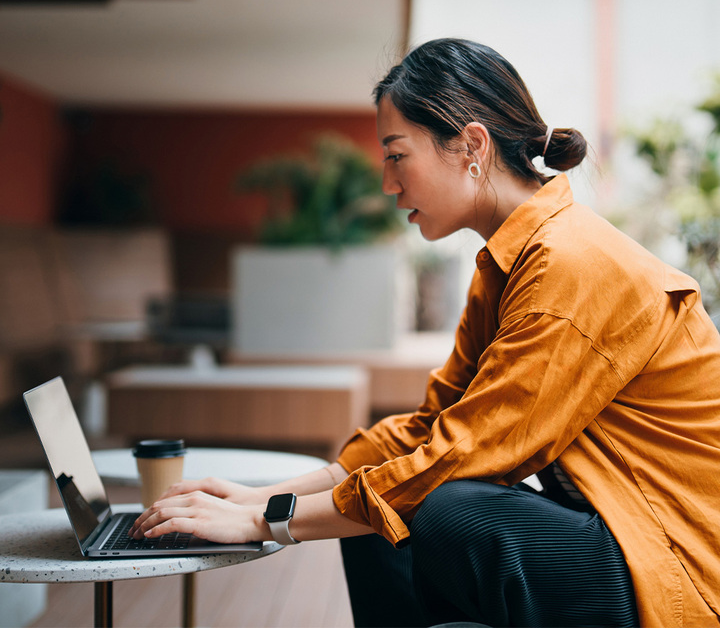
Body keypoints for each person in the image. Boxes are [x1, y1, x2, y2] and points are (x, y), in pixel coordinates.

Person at [131, 38, 720, 627]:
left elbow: (465, 457)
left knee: (443, 506)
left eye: (396, 155)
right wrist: (259, 496)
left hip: (673, 567)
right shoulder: (512, 266)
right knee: (376, 504)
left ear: (471, 146)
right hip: (614, 536)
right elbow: (428, 426)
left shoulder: (572, 264)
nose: (389, 185)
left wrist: (268, 523)